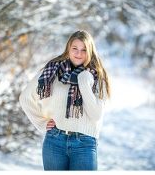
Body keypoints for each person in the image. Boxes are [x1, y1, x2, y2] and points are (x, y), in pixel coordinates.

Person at [19, 31, 111, 170]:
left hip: (84, 144)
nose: (78, 53)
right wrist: (41, 122)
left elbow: (96, 115)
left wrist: (84, 83)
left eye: (84, 50)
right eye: (75, 48)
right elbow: (25, 98)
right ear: (68, 48)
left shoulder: (97, 76)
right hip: (55, 141)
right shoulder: (53, 69)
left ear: (90, 51)